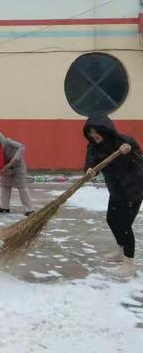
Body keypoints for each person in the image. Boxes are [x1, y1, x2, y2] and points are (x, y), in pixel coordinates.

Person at [84, 113, 143, 278]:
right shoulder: (93, 146)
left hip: (133, 188)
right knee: (112, 219)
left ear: (106, 130)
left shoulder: (124, 141)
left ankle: (129, 262)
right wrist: (89, 170)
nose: (93, 136)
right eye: (90, 133)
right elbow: (91, 161)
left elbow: (139, 160)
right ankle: (120, 251)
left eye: (96, 132)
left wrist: (129, 152)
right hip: (116, 189)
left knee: (124, 225)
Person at [0, 132, 34, 216]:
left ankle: (29, 209)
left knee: (21, 187)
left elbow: (22, 147)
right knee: (5, 186)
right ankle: (5, 207)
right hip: (5, 167)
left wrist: (16, 157)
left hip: (18, 166)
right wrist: (3, 171)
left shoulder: (9, 143)